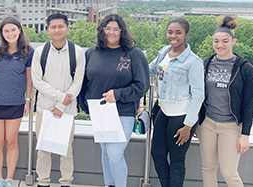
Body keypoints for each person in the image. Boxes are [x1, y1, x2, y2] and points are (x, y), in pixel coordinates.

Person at [78, 14, 150, 187]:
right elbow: (82, 83)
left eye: (116, 29)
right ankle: (109, 184)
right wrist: (86, 107)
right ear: (101, 30)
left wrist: (117, 95)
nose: (111, 32)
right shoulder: (90, 53)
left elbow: (142, 86)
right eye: (107, 28)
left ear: (122, 31)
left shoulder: (133, 54)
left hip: (123, 112)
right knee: (105, 151)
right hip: (99, 112)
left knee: (115, 153)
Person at [197, 16, 253, 187]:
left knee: (229, 171)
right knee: (208, 167)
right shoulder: (206, 64)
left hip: (231, 126)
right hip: (207, 124)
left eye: (225, 41)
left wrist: (245, 135)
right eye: (216, 41)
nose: (220, 45)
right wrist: (196, 122)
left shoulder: (246, 69)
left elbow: (249, 104)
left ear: (233, 41)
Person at [31, 13, 86, 187]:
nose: (57, 30)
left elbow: (78, 83)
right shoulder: (40, 52)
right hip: (44, 109)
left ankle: (66, 182)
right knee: (43, 149)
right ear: (47, 30)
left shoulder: (77, 52)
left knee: (66, 150)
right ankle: (43, 181)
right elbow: (37, 82)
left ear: (68, 28)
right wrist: (60, 97)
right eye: (53, 27)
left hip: (67, 111)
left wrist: (61, 105)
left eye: (60, 26)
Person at [149, 17, 204, 187]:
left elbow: (198, 95)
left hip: (181, 116)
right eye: (170, 32)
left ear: (186, 35)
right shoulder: (164, 52)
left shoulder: (193, 62)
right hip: (163, 112)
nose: (173, 36)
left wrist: (188, 126)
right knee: (157, 154)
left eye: (178, 32)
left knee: (177, 160)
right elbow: (150, 69)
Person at [0, 17, 33, 187]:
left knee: (11, 142)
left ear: (19, 30)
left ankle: (9, 179)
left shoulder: (28, 52)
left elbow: (28, 77)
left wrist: (27, 99)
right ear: (2, 33)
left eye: (13, 30)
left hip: (15, 103)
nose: (10, 34)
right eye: (6, 31)